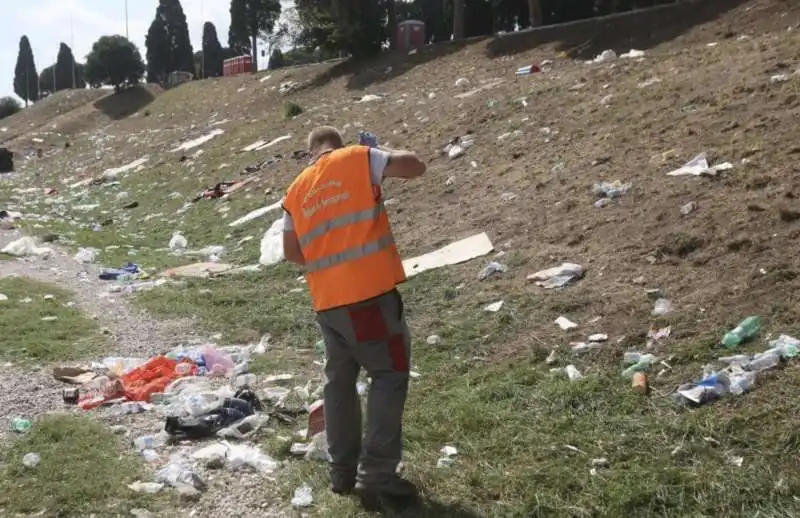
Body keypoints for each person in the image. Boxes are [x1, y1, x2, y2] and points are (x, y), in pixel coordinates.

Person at [281, 126, 426, 501]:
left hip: (328, 301)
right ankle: (376, 475)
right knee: (389, 375)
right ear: (338, 144)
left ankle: (341, 473)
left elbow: (292, 251)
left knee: (340, 381)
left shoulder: (297, 189)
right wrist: (379, 150)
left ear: (310, 152)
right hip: (369, 295)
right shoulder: (358, 157)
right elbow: (415, 166)